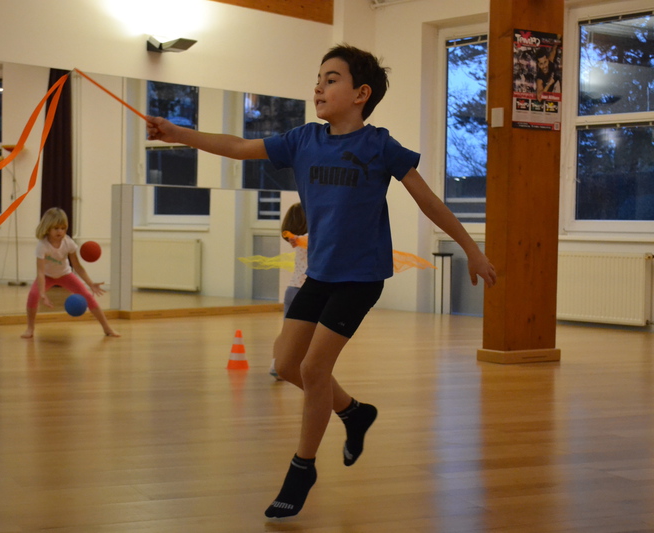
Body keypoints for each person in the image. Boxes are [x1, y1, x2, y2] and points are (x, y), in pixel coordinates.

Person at [147, 44, 497, 519]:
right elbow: (238, 147)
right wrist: (177, 133)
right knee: (286, 363)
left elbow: (429, 201)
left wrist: (472, 248)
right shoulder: (303, 140)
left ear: (361, 94)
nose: (319, 87)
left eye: (331, 79)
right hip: (321, 272)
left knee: (313, 369)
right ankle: (354, 411)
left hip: (361, 277)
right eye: (318, 78)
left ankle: (302, 468)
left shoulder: (380, 147)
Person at [21, 207, 119, 339]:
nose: (60, 231)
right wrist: (42, 293)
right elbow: (40, 271)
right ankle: (30, 328)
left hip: (65, 275)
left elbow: (77, 266)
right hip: (47, 276)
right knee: (33, 295)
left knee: (88, 296)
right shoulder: (42, 246)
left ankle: (107, 328)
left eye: (63, 228)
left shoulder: (69, 243)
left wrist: (90, 283)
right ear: (48, 228)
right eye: (56, 228)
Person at [270, 202, 308, 381]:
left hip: (292, 289)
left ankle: (276, 364)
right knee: (306, 335)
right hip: (305, 293)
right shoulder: (310, 238)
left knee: (286, 332)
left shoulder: (300, 240)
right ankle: (297, 365)